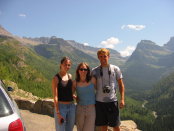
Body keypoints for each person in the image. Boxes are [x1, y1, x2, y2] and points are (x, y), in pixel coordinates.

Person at [91, 48, 125, 131]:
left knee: (116, 126)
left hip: (112, 101)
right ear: (98, 57)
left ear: (108, 56)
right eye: (101, 56)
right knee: (103, 126)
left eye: (105, 56)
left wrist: (122, 99)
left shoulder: (115, 69)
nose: (103, 58)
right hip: (99, 102)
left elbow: (121, 85)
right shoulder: (94, 71)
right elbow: (92, 86)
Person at [52, 56, 76, 131]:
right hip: (61, 107)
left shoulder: (70, 76)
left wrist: (73, 95)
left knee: (70, 129)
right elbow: (55, 96)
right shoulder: (56, 78)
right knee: (60, 129)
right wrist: (58, 112)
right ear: (61, 64)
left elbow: (69, 91)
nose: (67, 66)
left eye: (69, 65)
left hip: (71, 106)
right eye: (65, 64)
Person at [73, 62, 96, 131]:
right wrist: (76, 97)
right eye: (81, 69)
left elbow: (99, 90)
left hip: (91, 108)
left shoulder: (93, 80)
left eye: (85, 69)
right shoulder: (75, 82)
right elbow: (70, 93)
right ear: (78, 70)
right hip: (80, 108)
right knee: (80, 129)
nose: (83, 71)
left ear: (88, 71)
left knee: (89, 129)